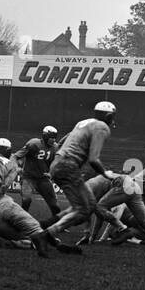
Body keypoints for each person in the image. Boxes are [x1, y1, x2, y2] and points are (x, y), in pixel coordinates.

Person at [42, 101, 119, 244]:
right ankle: (45, 234)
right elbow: (94, 159)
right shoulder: (102, 127)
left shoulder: (83, 122)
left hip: (60, 162)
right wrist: (105, 174)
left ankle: (46, 226)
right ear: (109, 115)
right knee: (83, 210)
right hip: (69, 165)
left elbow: (63, 141)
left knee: (89, 205)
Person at [13, 125, 62, 220]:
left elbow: (56, 163)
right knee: (26, 200)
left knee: (55, 205)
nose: (53, 140)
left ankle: (56, 223)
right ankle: (21, 220)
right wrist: (16, 167)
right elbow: (15, 156)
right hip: (29, 177)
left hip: (43, 178)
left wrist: (52, 173)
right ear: (45, 136)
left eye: (54, 137)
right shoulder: (34, 144)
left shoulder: (55, 148)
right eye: (51, 137)